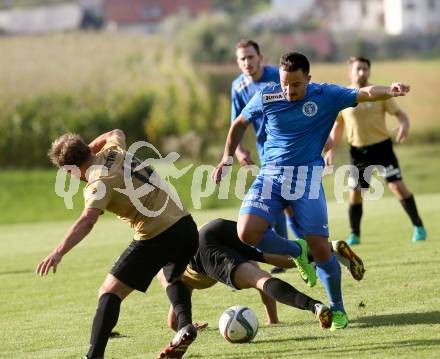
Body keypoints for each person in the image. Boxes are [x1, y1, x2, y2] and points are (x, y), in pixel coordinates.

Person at [212, 52, 410, 330]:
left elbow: (364, 92)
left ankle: (338, 309)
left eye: (295, 85)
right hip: (271, 177)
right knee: (246, 233)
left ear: (308, 79)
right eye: (284, 84)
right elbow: (239, 124)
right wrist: (226, 157)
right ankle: (297, 250)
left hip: (306, 181)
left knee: (321, 247)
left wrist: (390, 90)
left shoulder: (326, 95)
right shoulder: (268, 96)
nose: (289, 90)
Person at [36, 129, 199, 359]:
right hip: (186, 225)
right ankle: (185, 326)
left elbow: (88, 219)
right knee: (170, 276)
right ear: (87, 149)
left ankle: (93, 356)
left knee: (109, 291)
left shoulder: (98, 182)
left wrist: (58, 252)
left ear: (69, 170)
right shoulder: (114, 149)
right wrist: (88, 149)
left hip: (156, 235)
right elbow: (116, 131)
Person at [157, 218, 333, 331]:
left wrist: (187, 326)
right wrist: (272, 320)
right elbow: (261, 268)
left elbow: (174, 321)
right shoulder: (176, 265)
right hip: (215, 226)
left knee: (260, 280)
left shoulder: (171, 272)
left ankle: (315, 307)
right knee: (267, 259)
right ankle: (330, 250)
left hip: (204, 249)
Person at [325, 56, 427, 245]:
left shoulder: (378, 94)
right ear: (350, 72)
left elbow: (400, 114)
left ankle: (419, 226)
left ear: (369, 71)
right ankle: (354, 234)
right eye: (358, 69)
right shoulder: (344, 96)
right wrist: (330, 149)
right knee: (355, 192)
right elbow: (338, 127)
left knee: (397, 187)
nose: (361, 72)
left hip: (382, 149)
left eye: (365, 69)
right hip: (358, 152)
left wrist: (404, 124)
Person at [231, 39, 289, 274]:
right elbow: (236, 122)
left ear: (260, 57)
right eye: (242, 58)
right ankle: (289, 253)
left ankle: (297, 252)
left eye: (250, 57)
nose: (247, 62)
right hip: (267, 153)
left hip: (291, 148)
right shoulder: (238, 87)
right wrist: (238, 149)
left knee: (281, 201)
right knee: (274, 201)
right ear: (238, 62)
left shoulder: (278, 77)